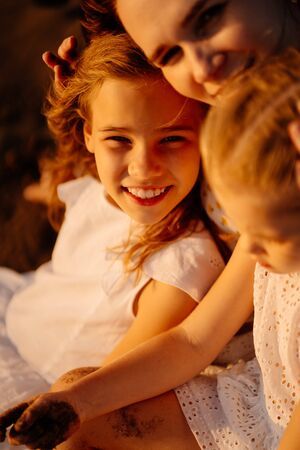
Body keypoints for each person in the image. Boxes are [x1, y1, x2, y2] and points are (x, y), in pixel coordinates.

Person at [1, 47, 300, 450]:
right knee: (76, 392)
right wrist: (74, 402)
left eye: (264, 234)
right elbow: (193, 341)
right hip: (253, 398)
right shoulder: (267, 221)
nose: (246, 246)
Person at [0, 32, 225, 412]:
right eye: (119, 138)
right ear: (89, 135)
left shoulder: (183, 265)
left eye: (171, 139)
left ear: (206, 137)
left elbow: (107, 381)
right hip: (19, 307)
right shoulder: (95, 188)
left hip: (45, 383)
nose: (143, 168)